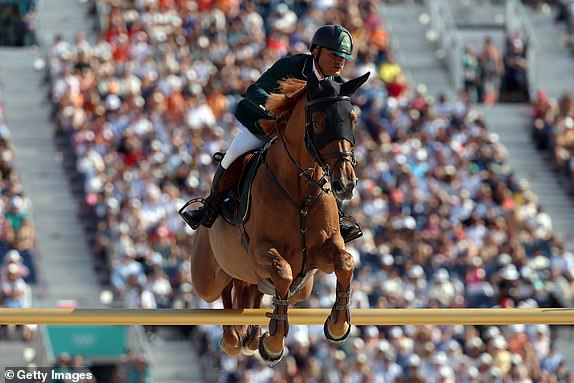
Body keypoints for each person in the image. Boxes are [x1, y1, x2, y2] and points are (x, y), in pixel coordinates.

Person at [181, 24, 363, 243]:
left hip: (304, 142)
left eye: (343, 57)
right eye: (334, 55)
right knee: (233, 154)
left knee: (335, 167)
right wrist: (276, 109)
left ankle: (339, 218)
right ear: (316, 51)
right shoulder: (293, 66)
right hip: (267, 128)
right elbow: (255, 90)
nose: (339, 61)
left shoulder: (336, 85)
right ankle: (211, 206)